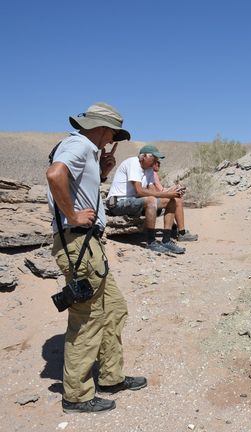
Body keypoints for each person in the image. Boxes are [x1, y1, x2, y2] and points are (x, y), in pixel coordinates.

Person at [46, 102, 147, 414]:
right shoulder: (77, 145)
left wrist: (102, 172)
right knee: (87, 319)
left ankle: (110, 376)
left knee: (114, 308)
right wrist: (74, 215)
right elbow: (55, 175)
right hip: (79, 245)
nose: (112, 141)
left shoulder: (87, 151)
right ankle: (76, 395)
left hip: (88, 246)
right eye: (113, 134)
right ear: (103, 128)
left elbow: (77, 186)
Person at [107, 145, 197, 254]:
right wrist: (167, 193)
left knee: (173, 200)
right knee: (151, 200)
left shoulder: (149, 170)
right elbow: (139, 191)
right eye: (154, 158)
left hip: (135, 202)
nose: (156, 161)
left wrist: (170, 194)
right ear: (143, 157)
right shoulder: (133, 163)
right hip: (118, 203)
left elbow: (153, 191)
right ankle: (151, 242)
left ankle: (166, 240)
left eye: (157, 159)